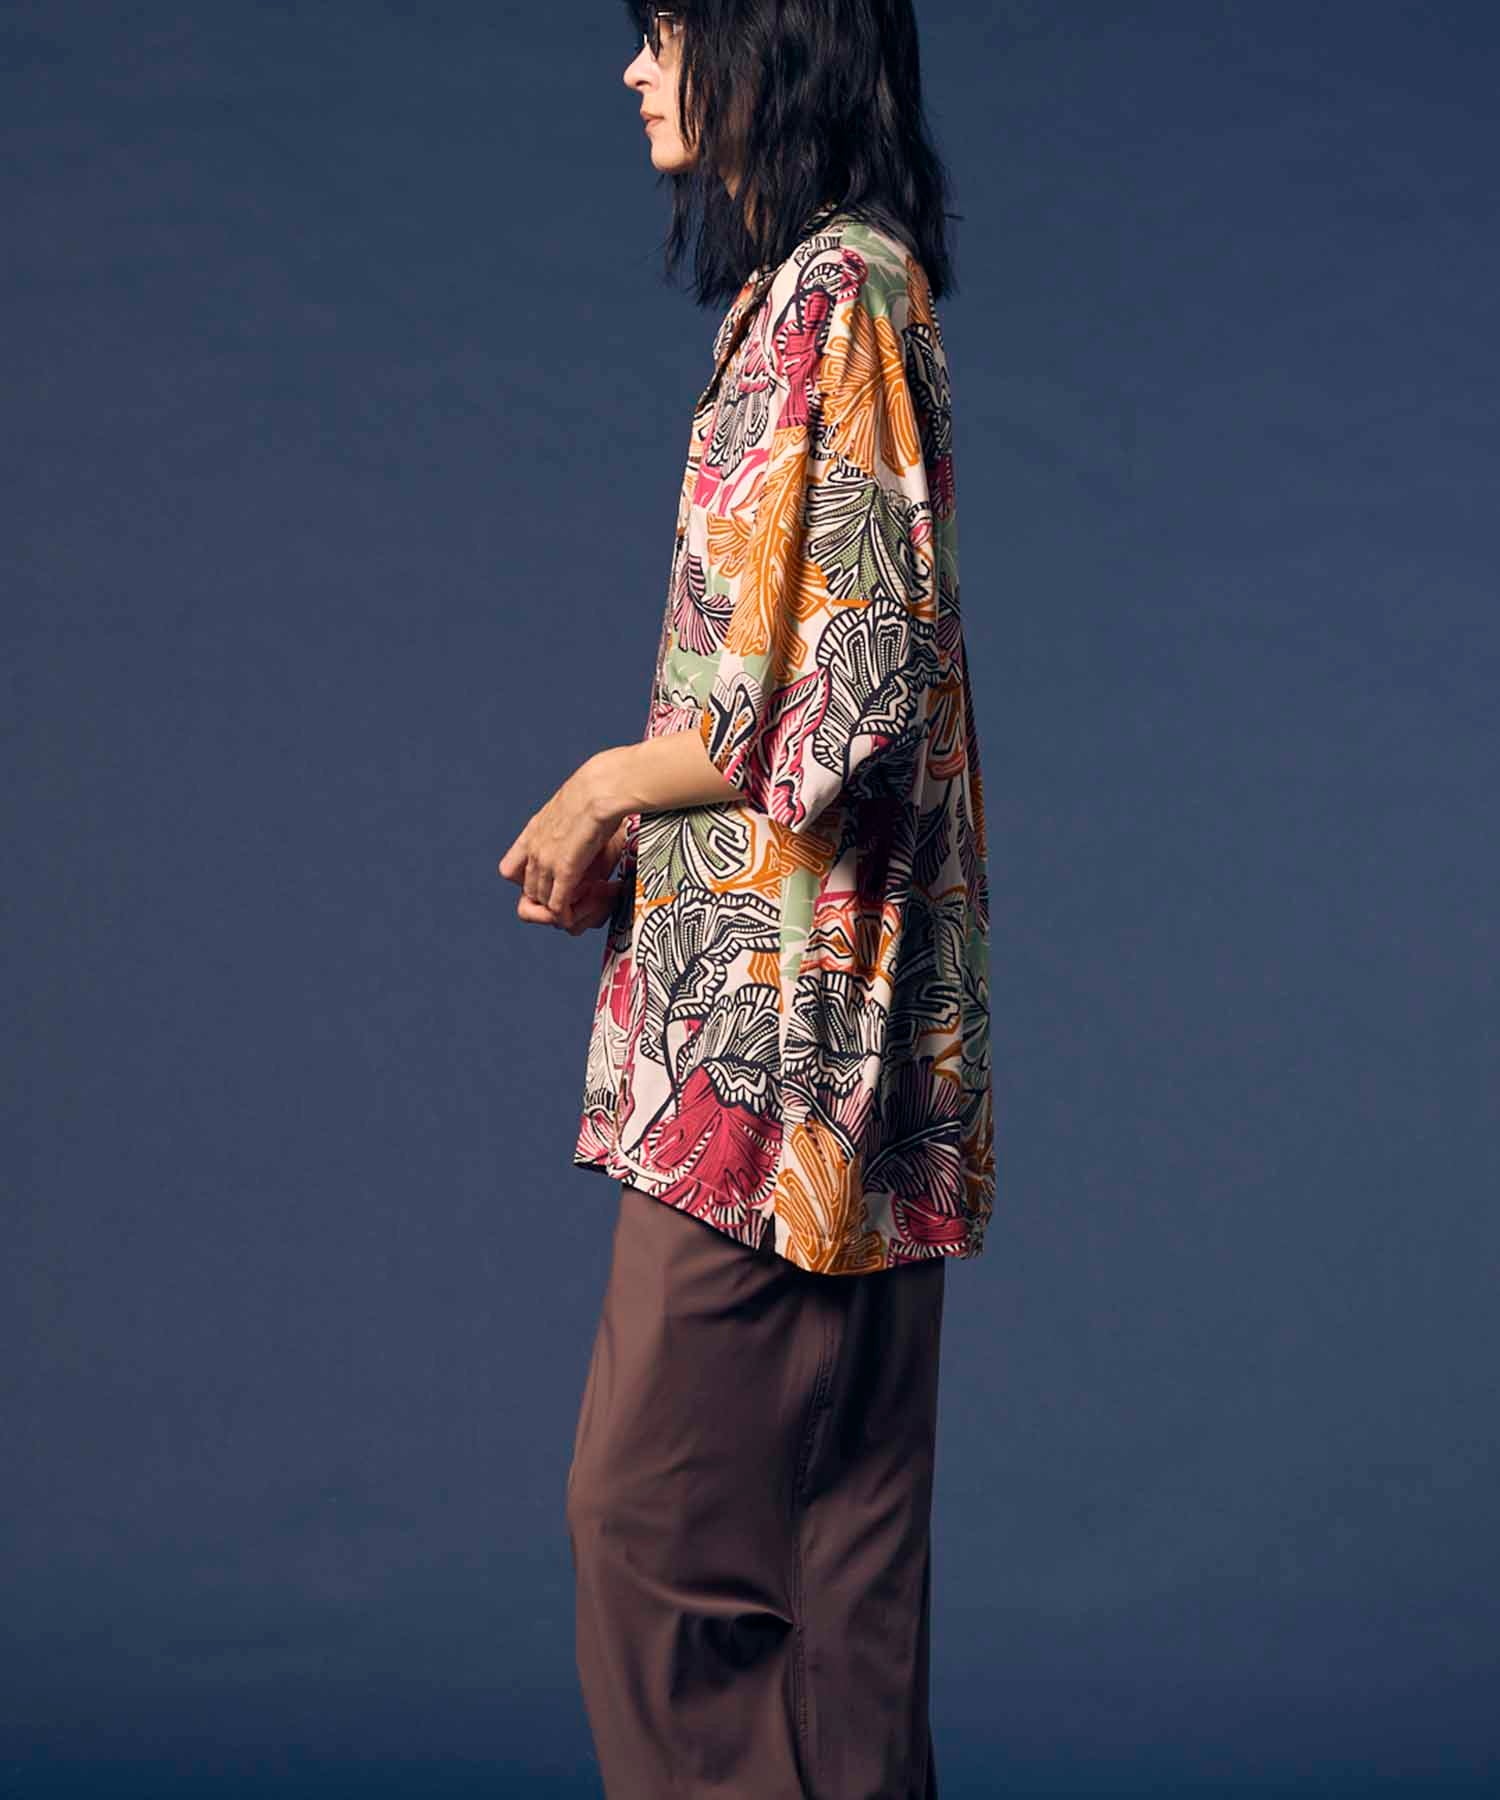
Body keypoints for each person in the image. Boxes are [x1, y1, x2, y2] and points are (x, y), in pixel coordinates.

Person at [498, 4, 993, 1792]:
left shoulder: (839, 299)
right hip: (787, 1022)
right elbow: (796, 695)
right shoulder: (806, 300)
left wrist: (611, 781)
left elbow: (853, 690)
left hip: (777, 1063)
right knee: (834, 1572)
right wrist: (654, 836)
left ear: (770, 40)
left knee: (658, 1531)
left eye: (664, 29)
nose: (636, 69)